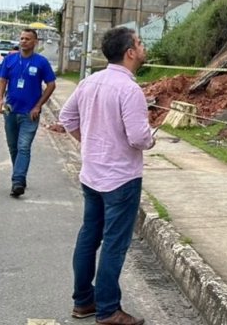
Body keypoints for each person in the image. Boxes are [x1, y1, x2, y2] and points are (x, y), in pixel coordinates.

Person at [59, 27, 157, 325]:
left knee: (89, 236)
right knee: (115, 243)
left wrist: (89, 142)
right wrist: (152, 137)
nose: (142, 47)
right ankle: (108, 309)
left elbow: (66, 118)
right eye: (139, 43)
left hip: (92, 174)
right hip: (122, 179)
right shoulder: (129, 90)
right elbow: (139, 138)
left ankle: (83, 302)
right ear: (130, 52)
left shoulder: (90, 82)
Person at [0, 27, 56, 198]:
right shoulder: (10, 60)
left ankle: (18, 180)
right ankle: (19, 176)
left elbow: (51, 84)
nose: (23, 41)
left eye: (27, 39)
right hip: (11, 111)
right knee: (13, 146)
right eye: (22, 38)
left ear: (35, 42)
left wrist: (38, 106)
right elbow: (1, 80)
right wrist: (0, 100)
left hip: (30, 114)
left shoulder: (41, 62)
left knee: (24, 146)